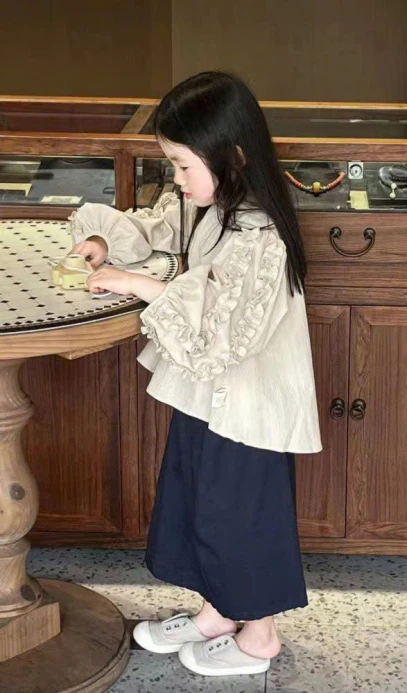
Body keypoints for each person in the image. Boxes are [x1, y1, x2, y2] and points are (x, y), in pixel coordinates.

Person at [69, 71, 321, 678]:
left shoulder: (262, 234)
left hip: (250, 405)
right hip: (211, 396)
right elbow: (162, 226)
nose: (177, 180)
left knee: (242, 514)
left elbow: (223, 330)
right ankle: (217, 612)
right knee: (201, 502)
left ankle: (259, 636)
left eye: (183, 165)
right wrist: (105, 240)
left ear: (233, 156)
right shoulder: (214, 204)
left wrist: (138, 284)